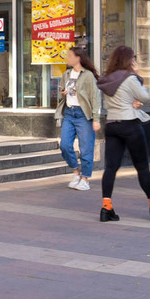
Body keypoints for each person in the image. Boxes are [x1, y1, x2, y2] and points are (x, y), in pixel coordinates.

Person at [96, 46, 150, 222]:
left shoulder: (107, 79)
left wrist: (132, 101)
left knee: (111, 168)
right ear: (129, 60)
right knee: (142, 167)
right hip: (129, 125)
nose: (135, 61)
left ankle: (106, 208)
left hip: (112, 125)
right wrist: (137, 75)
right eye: (133, 59)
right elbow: (145, 96)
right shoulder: (130, 78)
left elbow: (117, 100)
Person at [54, 47, 101, 191]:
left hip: (83, 114)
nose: (67, 58)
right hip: (69, 113)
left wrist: (96, 118)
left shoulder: (88, 76)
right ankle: (76, 173)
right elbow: (63, 95)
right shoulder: (66, 74)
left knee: (86, 148)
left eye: (70, 56)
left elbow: (95, 97)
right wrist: (63, 93)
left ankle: (85, 179)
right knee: (64, 145)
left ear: (78, 58)